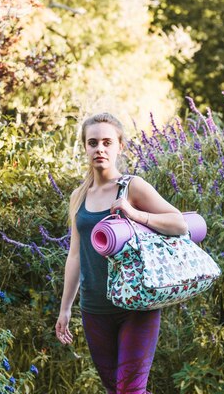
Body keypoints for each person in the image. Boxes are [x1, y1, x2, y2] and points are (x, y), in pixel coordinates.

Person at [55, 112, 188, 394]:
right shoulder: (79, 196)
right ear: (85, 147)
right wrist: (65, 308)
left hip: (136, 306)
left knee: (129, 390)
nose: (99, 148)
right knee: (117, 389)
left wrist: (136, 214)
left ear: (120, 146)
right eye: (93, 143)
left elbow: (179, 223)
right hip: (94, 309)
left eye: (107, 142)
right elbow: (75, 255)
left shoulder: (132, 187)